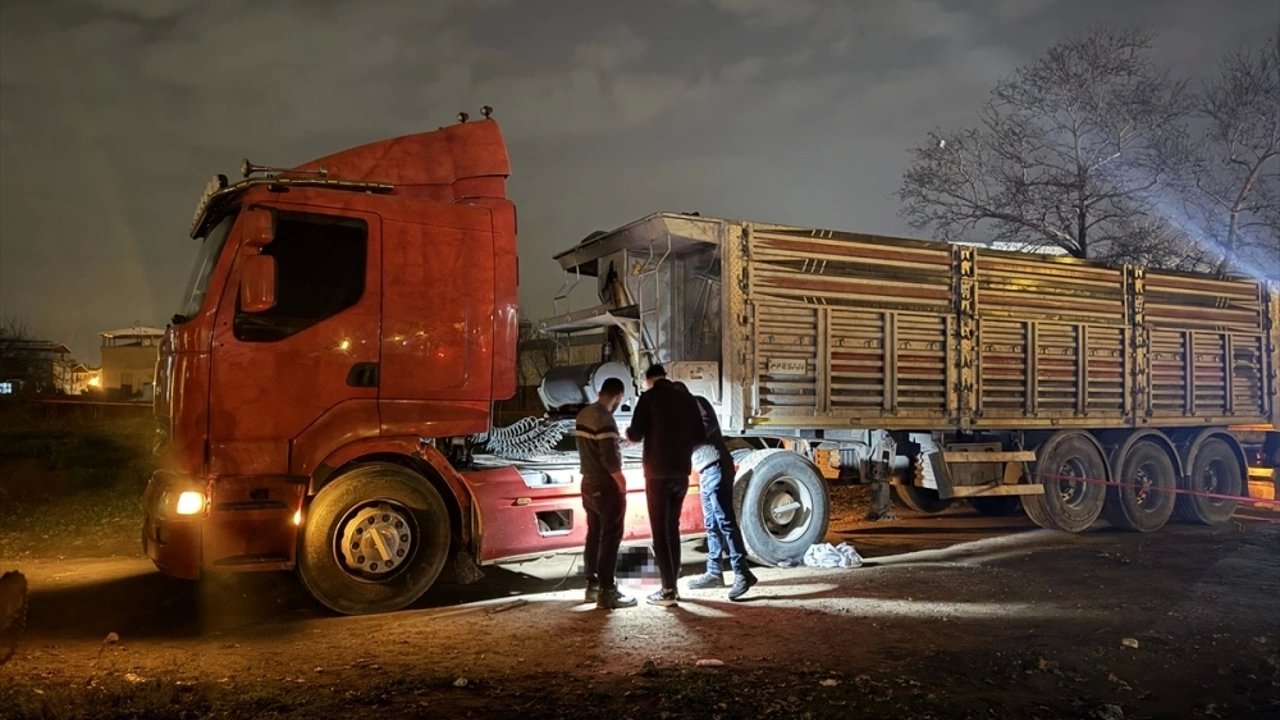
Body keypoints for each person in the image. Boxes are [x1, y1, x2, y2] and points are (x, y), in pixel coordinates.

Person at [626, 364, 705, 606]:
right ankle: (674, 582)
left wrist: (628, 435)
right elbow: (700, 435)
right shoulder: (686, 399)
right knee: (673, 527)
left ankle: (668, 589)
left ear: (648, 380)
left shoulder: (648, 398)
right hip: (681, 472)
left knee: (659, 531)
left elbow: (635, 434)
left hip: (657, 473)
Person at [674, 382, 758, 601]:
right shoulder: (684, 412)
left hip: (717, 466)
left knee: (725, 521)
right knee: (712, 524)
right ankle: (714, 572)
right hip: (706, 470)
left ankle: (742, 573)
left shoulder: (697, 403)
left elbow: (705, 428)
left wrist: (680, 438)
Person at [575, 377, 637, 609]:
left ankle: (591, 586)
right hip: (605, 485)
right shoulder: (606, 419)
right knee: (611, 538)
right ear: (618, 396)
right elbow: (609, 461)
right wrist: (621, 483)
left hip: (588, 483)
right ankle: (607, 591)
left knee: (594, 534)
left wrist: (616, 441)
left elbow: (593, 445)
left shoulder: (584, 415)